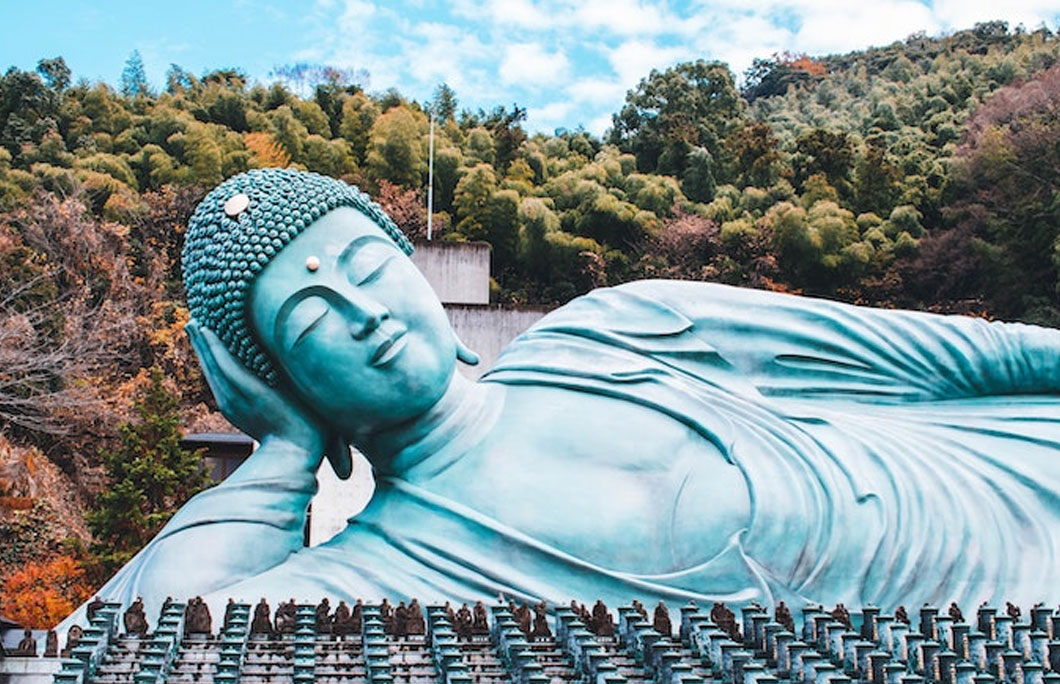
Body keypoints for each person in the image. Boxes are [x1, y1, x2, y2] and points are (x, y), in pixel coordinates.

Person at [59, 169, 1060, 633]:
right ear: (276, 379)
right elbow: (141, 648)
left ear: (418, 274)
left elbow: (950, 357)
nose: (361, 311)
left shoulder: (617, 330)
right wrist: (277, 455)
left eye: (368, 265)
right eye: (313, 322)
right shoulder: (384, 571)